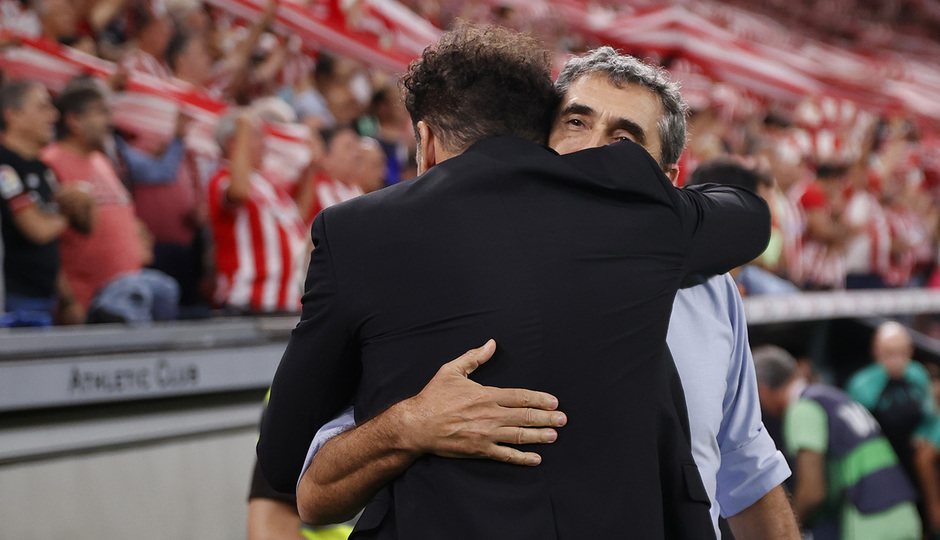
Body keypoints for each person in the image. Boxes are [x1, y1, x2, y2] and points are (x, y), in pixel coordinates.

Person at [259, 24, 770, 539]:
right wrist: (409, 423)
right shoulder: (384, 248)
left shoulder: (703, 282)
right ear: (537, 133)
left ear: (427, 140)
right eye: (576, 121)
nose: (596, 152)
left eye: (622, 142)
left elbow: (749, 464)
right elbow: (304, 484)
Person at [754, 344, 921, 540]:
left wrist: (786, 529)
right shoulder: (829, 395)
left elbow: (813, 493)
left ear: (762, 389)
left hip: (870, 521)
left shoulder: (803, 408)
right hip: (904, 514)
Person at [42, 85, 178, 323]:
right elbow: (46, 241)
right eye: (100, 112)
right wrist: (69, 300)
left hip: (129, 298)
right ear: (74, 120)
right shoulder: (51, 161)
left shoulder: (102, 161)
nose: (109, 120)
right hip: (88, 302)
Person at [0, 80, 93, 325]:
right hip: (12, 300)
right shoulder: (4, 167)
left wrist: (68, 298)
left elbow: (76, 231)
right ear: (14, 116)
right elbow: (38, 229)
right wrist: (68, 211)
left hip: (45, 298)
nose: (53, 116)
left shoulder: (44, 170)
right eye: (42, 108)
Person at [207, 109, 307, 314]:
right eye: (256, 135)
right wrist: (244, 124)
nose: (265, 142)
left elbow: (298, 222)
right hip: (248, 303)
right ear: (232, 142)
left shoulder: (268, 184)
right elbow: (239, 192)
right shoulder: (221, 178)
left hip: (287, 302)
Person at [846, 321, 940, 534]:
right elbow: (854, 433)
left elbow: (930, 416)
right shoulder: (861, 385)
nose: (895, 360)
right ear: (876, 352)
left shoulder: (917, 375)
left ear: (910, 351)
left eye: (901, 353)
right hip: (882, 462)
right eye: (888, 353)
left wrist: (922, 435)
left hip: (914, 460)